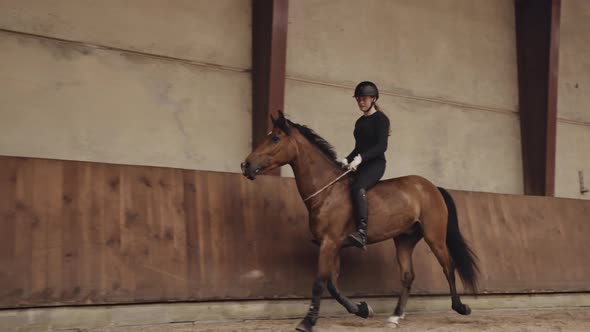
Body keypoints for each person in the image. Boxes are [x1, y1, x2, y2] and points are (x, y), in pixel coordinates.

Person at [341, 81, 390, 250]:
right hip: (360, 163)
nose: (361, 102)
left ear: (374, 99)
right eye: (358, 99)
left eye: (364, 99)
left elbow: (381, 146)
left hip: (375, 164)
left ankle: (361, 232)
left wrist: (361, 158)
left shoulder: (381, 120)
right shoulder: (359, 122)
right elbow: (358, 148)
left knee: (358, 188)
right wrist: (346, 160)